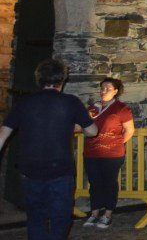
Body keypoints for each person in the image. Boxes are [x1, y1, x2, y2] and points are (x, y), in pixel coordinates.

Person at [0, 58, 97, 240]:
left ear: (39, 79)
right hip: (60, 170)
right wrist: (73, 126)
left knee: (35, 217)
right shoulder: (71, 102)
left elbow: (2, 135)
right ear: (62, 80)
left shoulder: (24, 102)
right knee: (61, 218)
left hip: (30, 169)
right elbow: (92, 131)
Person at [82, 77, 135, 229]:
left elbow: (129, 130)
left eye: (108, 88)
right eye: (102, 88)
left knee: (109, 183)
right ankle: (94, 213)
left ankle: (107, 215)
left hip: (112, 155)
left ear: (116, 91)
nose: (104, 91)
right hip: (91, 153)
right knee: (94, 183)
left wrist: (117, 143)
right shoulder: (93, 108)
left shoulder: (121, 109)